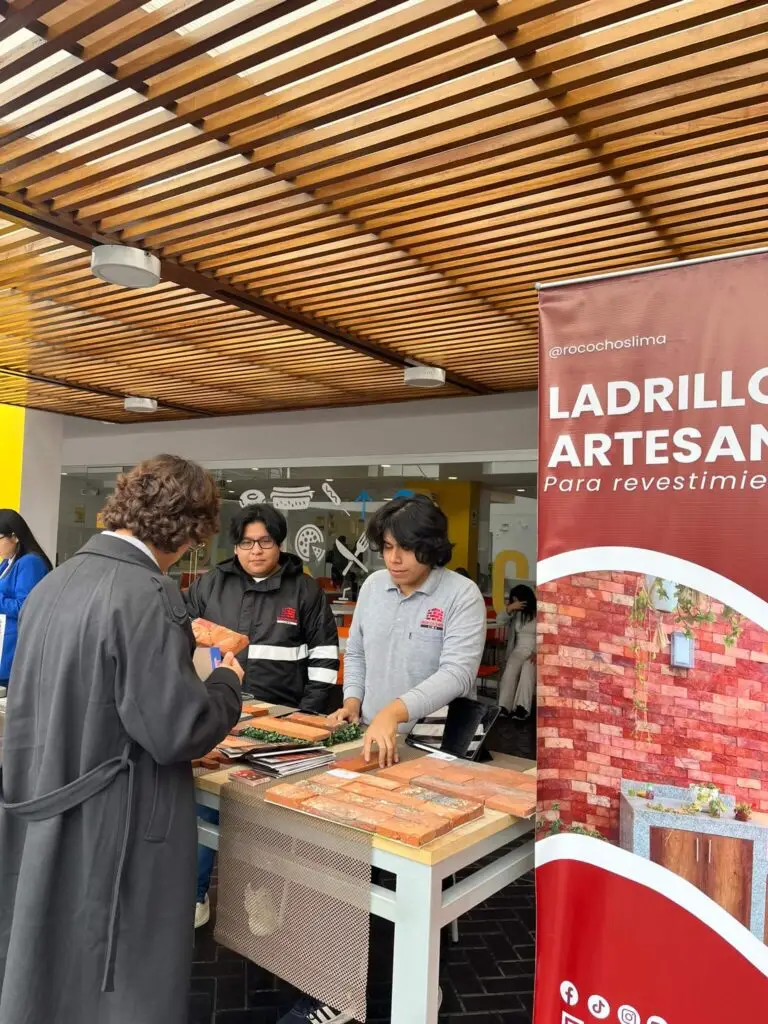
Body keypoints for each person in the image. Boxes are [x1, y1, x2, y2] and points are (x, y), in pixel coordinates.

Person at [0, 455, 243, 1024]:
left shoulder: (54, 581)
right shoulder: (148, 593)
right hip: (119, 818)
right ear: (187, 528)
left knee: (48, 960)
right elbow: (177, 730)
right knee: (118, 976)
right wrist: (227, 681)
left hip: (46, 794)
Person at [276, 496, 486, 1024]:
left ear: (432, 548)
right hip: (370, 743)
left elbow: (459, 673)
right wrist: (353, 701)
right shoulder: (373, 587)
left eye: (406, 549)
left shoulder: (459, 595)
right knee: (339, 856)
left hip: (433, 747)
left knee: (408, 872)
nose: (394, 559)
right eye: (388, 547)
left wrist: (394, 711)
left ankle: (416, 984)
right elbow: (359, 652)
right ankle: (339, 984)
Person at [185, 503, 339, 926]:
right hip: (219, 715)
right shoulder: (210, 585)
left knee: (268, 820)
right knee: (206, 808)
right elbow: (183, 642)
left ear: (279, 544)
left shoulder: (304, 591)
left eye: (265, 542)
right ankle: (195, 897)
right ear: (235, 545)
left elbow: (324, 657)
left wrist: (307, 716)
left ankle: (263, 898)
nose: (255, 550)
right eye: (246, 542)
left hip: (282, 724)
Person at [0, 510, 51, 688]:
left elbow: (24, 606)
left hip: (14, 648)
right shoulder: (8, 561)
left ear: (14, 536)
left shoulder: (30, 563)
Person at [496, 584, 537, 718]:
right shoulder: (515, 613)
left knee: (527, 669)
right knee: (510, 669)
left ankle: (522, 707)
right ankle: (504, 706)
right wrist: (509, 609)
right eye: (514, 600)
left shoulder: (540, 612)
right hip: (518, 650)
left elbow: (546, 634)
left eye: (517, 600)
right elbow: (499, 621)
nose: (516, 603)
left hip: (535, 651)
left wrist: (537, 652)